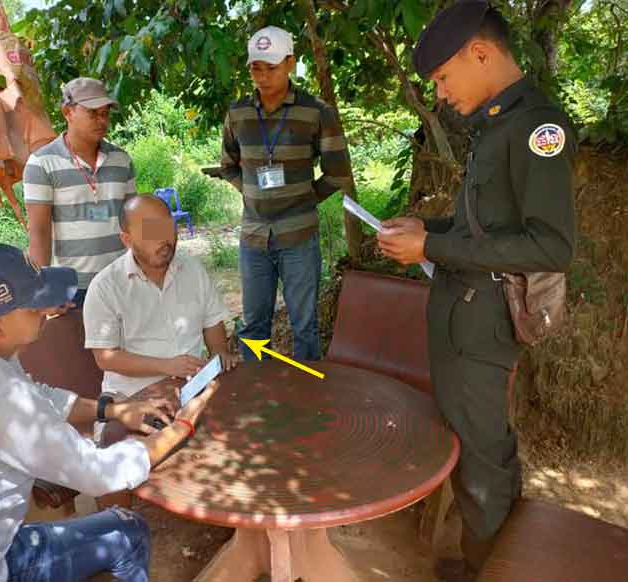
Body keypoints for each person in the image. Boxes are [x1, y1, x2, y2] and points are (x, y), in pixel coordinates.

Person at [0, 242, 219, 582]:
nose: (49, 309)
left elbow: (38, 395)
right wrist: (182, 425)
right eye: (35, 306)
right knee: (129, 531)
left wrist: (113, 410)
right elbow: (100, 474)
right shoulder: (2, 403)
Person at [377, 3, 576, 580]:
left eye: (443, 78)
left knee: (484, 461)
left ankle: (489, 568)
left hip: (483, 325)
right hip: (460, 316)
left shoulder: (538, 129)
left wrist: (431, 248)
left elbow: (550, 247)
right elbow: (482, 230)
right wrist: (426, 230)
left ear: (481, 54)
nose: (440, 94)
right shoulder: (495, 123)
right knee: (473, 447)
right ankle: (484, 559)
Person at [219, 26, 354, 363]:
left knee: (304, 326)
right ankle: (258, 385)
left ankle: (306, 388)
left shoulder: (316, 112)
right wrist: (251, 193)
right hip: (254, 238)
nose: (263, 77)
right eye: (256, 68)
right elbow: (228, 166)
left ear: (290, 63)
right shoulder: (238, 113)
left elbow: (338, 173)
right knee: (254, 326)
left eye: (272, 67)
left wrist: (303, 199)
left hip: (299, 237)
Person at [83, 195, 238, 399]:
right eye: (151, 232)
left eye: (167, 228)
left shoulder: (193, 269)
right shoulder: (105, 287)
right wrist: (166, 366)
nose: (164, 240)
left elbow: (212, 321)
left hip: (194, 385)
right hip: (132, 396)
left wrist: (219, 352)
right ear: (127, 240)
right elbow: (105, 357)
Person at [23, 77, 135, 307]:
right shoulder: (42, 163)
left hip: (122, 279)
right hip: (72, 288)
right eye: (93, 113)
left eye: (105, 113)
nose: (102, 120)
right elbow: (39, 232)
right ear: (68, 112)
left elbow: (134, 220)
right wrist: (44, 290)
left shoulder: (121, 160)